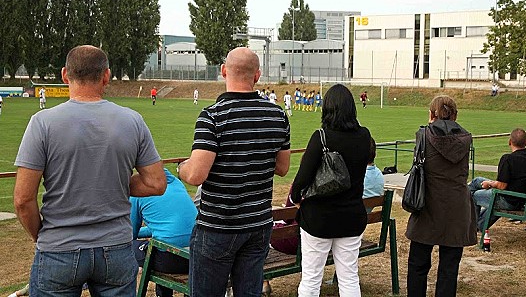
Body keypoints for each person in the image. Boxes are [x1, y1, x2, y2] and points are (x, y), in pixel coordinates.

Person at [13, 45, 167, 296]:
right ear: (106, 76)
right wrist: (110, 181)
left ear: (65, 75)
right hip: (115, 247)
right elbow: (156, 183)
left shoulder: (42, 123)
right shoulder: (132, 120)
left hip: (59, 247)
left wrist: (40, 236)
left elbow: (22, 199)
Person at [178, 47, 291, 297]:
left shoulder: (213, 116)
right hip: (258, 224)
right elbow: (282, 168)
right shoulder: (278, 115)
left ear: (223, 71)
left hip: (218, 226)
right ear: (257, 76)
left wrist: (181, 168)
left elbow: (196, 175)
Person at [291, 84, 371, 296]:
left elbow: (302, 178)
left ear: (327, 108)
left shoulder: (321, 137)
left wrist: (295, 197)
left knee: (311, 279)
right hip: (351, 216)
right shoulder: (364, 136)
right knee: (349, 278)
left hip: (319, 218)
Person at [405, 95, 477, 297]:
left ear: (431, 114)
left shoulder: (424, 135)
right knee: (449, 268)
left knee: (418, 264)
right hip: (456, 206)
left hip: (428, 204)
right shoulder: (465, 138)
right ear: (455, 115)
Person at [469, 128, 526, 231]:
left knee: (474, 195)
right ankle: (479, 225)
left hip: (510, 200)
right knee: (477, 181)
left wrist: (489, 184)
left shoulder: (507, 159)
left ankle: (472, 227)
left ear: (510, 142)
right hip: (524, 198)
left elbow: (501, 186)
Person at [130, 168, 197, 297]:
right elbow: (163, 226)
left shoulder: (138, 193)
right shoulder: (177, 184)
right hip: (194, 256)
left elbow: (129, 233)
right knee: (160, 243)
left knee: (130, 246)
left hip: (170, 261)